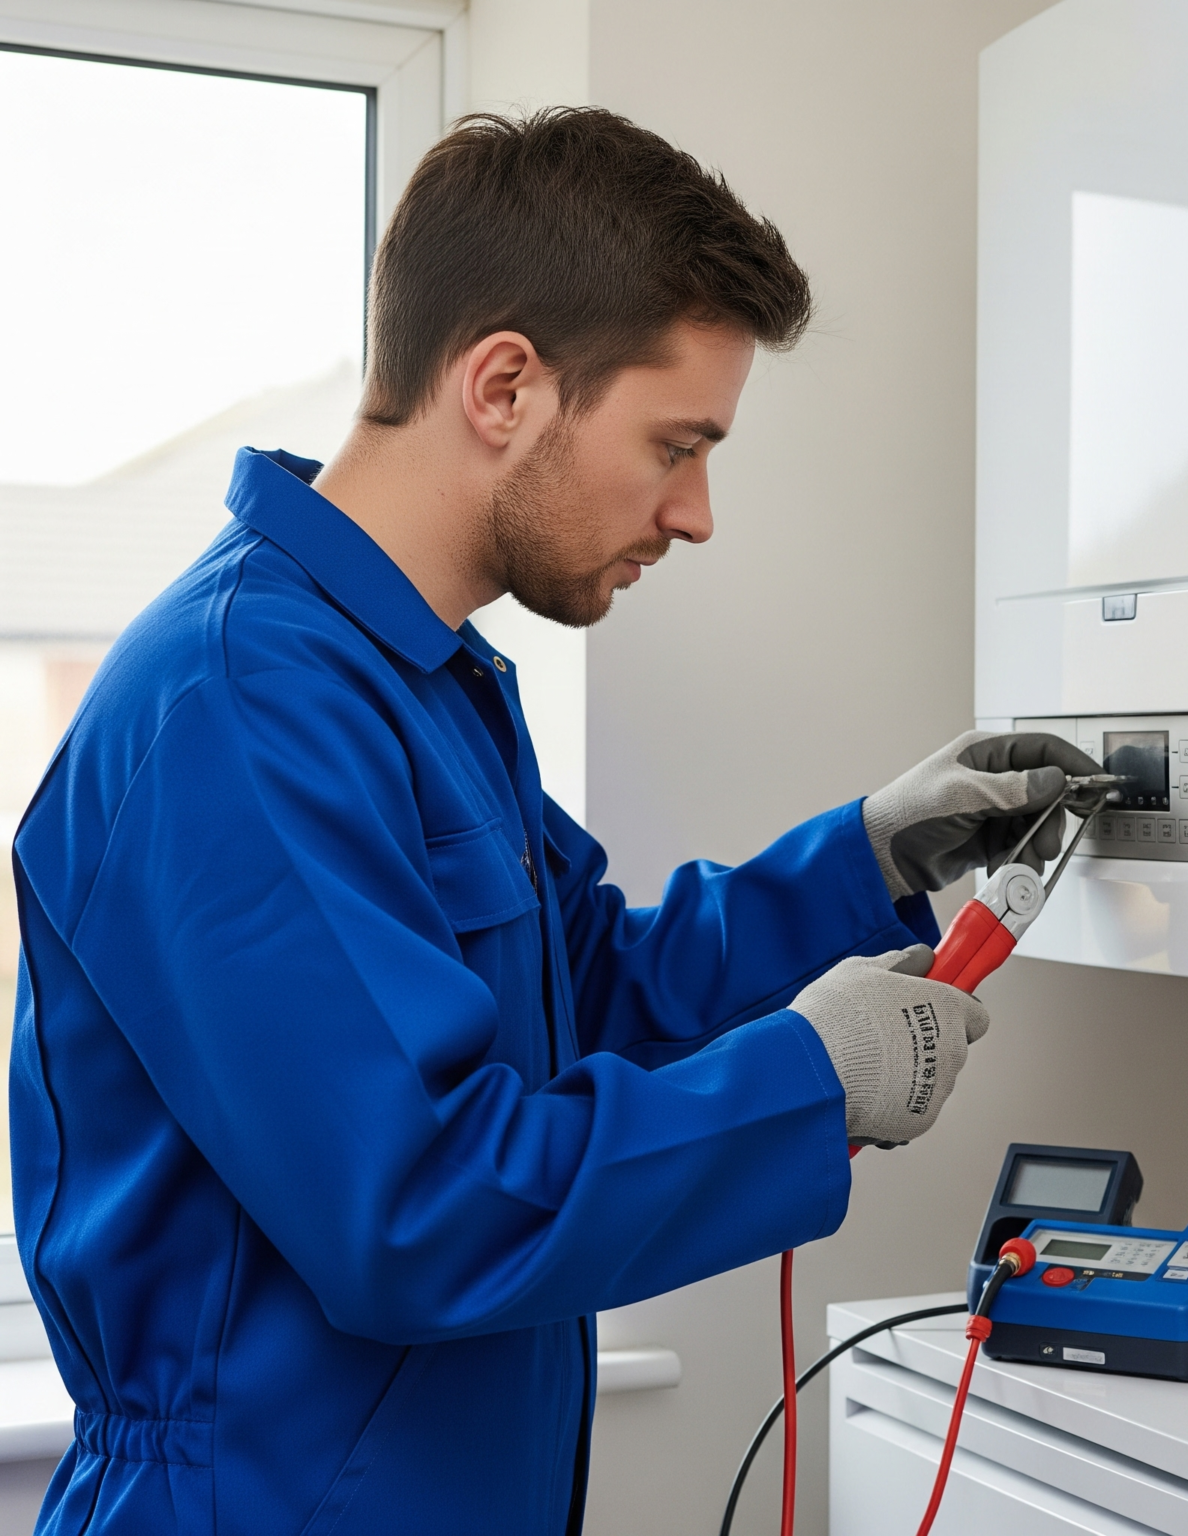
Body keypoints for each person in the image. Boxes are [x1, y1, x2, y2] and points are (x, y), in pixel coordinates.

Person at [10, 109, 1095, 1535]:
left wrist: (866, 860)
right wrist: (809, 1085)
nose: (696, 513)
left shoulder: (426, 684)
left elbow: (592, 994)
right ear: (506, 386)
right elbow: (417, 1208)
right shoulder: (238, 704)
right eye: (676, 444)